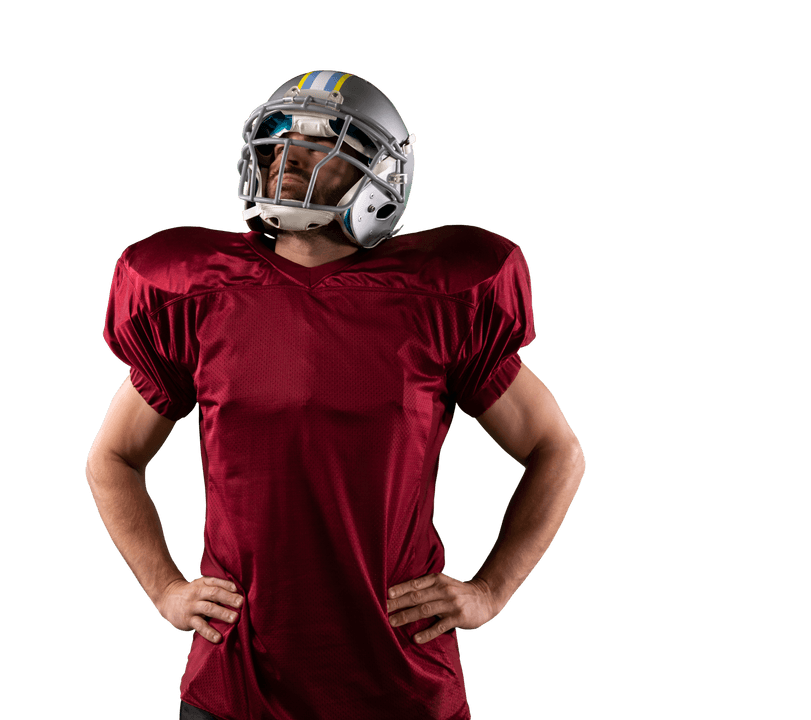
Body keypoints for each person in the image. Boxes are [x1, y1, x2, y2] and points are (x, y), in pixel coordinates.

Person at [86, 69, 585, 720]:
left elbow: (557, 451)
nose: (291, 158)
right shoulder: (200, 291)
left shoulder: (438, 297)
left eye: (323, 145)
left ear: (382, 176)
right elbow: (112, 459)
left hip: (404, 686)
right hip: (237, 685)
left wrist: (490, 589)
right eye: (280, 141)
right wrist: (166, 589)